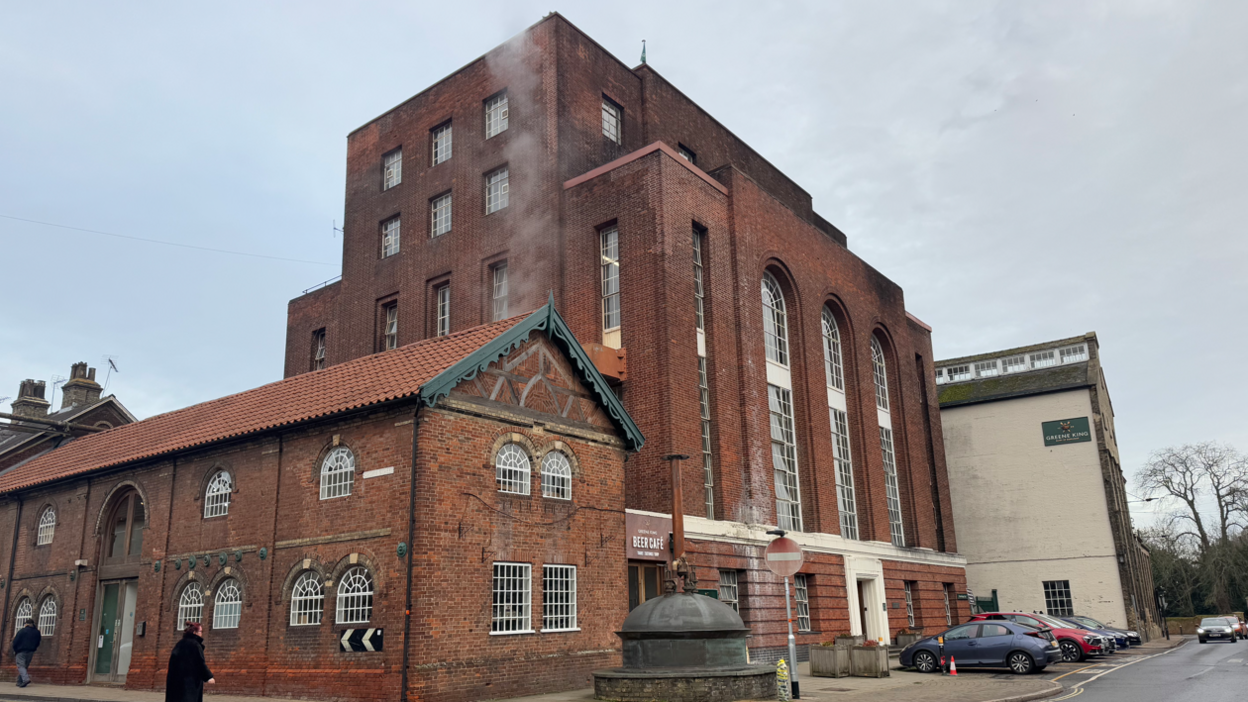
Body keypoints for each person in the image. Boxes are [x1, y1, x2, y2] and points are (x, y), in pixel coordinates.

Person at [165, 621, 215, 702]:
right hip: (189, 683)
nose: (201, 633)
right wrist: (209, 677)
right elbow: (200, 663)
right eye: (200, 631)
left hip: (175, 682)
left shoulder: (179, 644)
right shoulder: (195, 645)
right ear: (195, 632)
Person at [11, 618, 40, 688]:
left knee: (20, 666)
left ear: (26, 624)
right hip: (31, 651)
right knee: (24, 666)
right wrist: (34, 648)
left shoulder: (22, 631)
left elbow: (15, 642)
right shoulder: (37, 632)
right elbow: (38, 642)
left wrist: (15, 649)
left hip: (21, 651)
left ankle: (25, 679)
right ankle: (19, 681)